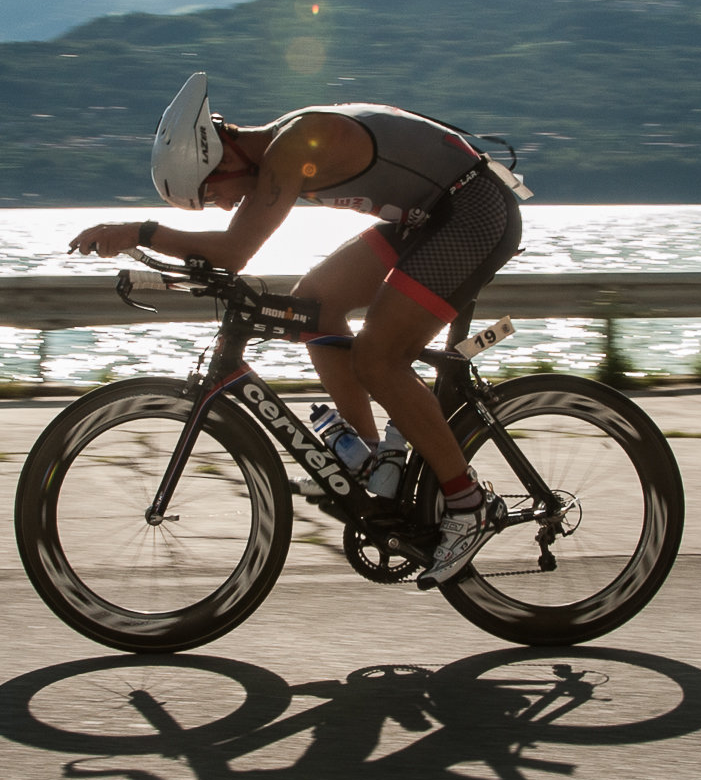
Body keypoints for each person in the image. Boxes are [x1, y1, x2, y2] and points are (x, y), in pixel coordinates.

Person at [68, 74, 524, 589]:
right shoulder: (278, 147)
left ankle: (468, 505)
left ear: (225, 155)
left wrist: (139, 232)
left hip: (473, 213)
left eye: (210, 193)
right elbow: (229, 247)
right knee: (314, 304)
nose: (219, 205)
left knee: (379, 357)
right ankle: (375, 463)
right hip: (428, 218)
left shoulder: (293, 148)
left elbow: (234, 251)